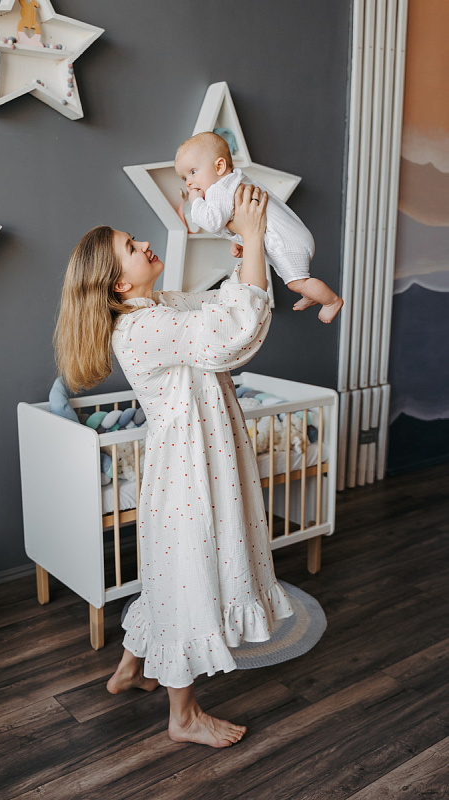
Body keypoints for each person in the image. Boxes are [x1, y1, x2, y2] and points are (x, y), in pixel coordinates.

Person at [53, 183, 294, 748]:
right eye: (131, 246)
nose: (144, 244)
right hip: (191, 467)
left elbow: (217, 307)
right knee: (190, 577)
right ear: (119, 283)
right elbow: (233, 334)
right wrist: (254, 237)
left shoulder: (158, 306)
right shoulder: (142, 326)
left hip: (191, 457)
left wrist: (245, 259)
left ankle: (130, 669)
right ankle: (183, 717)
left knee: (170, 573)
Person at [175, 131, 343, 323]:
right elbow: (241, 218)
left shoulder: (218, 189)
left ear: (219, 166)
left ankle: (331, 301)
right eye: (184, 178)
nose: (189, 182)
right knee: (295, 280)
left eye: (193, 172)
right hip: (292, 237)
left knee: (297, 282)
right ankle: (311, 294)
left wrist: (195, 201)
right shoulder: (234, 182)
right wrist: (237, 239)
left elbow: (212, 222)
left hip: (286, 242)